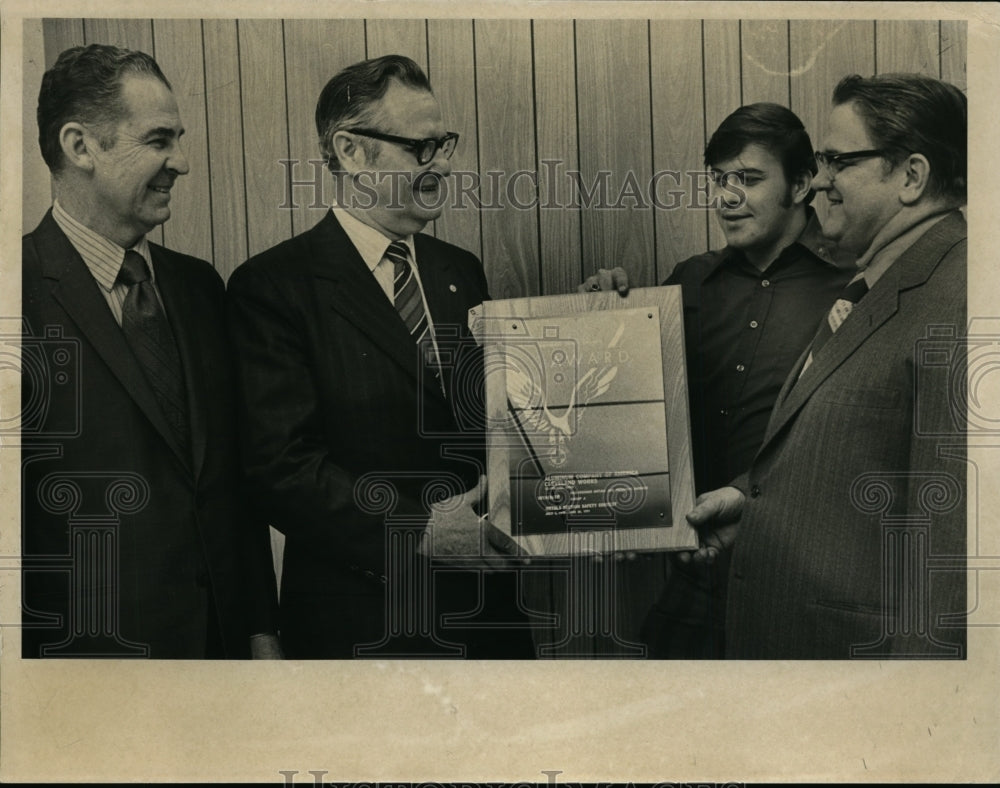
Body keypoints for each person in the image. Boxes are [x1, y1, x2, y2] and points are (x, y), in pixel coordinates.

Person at [227, 55, 532, 658]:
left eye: (444, 144)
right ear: (352, 153)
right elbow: (282, 470)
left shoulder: (459, 271)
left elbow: (501, 427)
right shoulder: (273, 287)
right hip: (364, 625)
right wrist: (418, 530)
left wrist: (596, 323)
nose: (442, 164)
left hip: (489, 618)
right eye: (422, 147)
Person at [686, 73, 968, 658]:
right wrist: (753, 504)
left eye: (837, 161)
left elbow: (951, 565)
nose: (819, 182)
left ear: (912, 177)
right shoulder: (877, 282)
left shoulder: (964, 300)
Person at [21, 44, 279, 658]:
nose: (181, 163)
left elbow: (229, 486)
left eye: (179, 139)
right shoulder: (14, 293)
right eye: (159, 140)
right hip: (89, 672)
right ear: (81, 146)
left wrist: (260, 630)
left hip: (222, 659)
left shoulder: (199, 288)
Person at [584, 103, 854, 657]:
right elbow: (628, 408)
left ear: (802, 183)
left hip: (804, 582)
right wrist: (606, 322)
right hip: (698, 574)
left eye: (749, 180)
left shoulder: (853, 287)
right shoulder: (689, 281)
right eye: (719, 180)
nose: (726, 197)